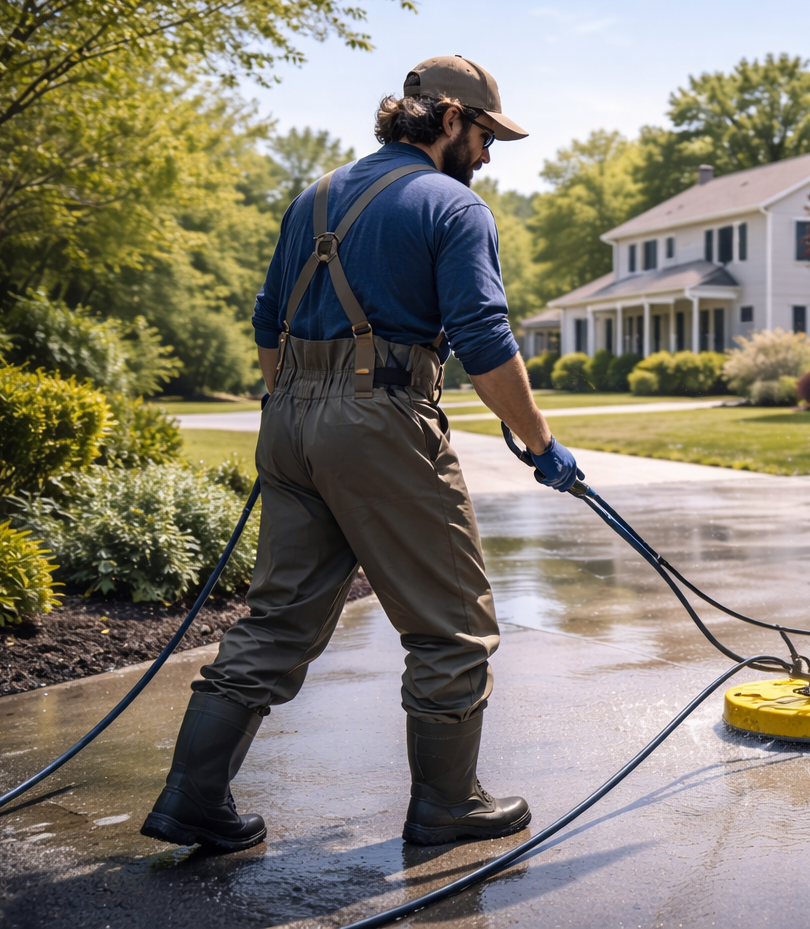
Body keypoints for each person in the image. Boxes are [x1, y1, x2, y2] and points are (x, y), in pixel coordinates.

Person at [140, 56, 578, 852]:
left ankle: (191, 799)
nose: (488, 157)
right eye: (485, 137)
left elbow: (269, 318)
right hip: (381, 420)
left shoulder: (313, 196)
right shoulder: (454, 206)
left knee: (278, 618)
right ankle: (448, 806)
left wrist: (301, 406)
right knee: (452, 625)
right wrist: (540, 443)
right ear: (448, 120)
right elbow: (483, 338)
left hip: (289, 422)